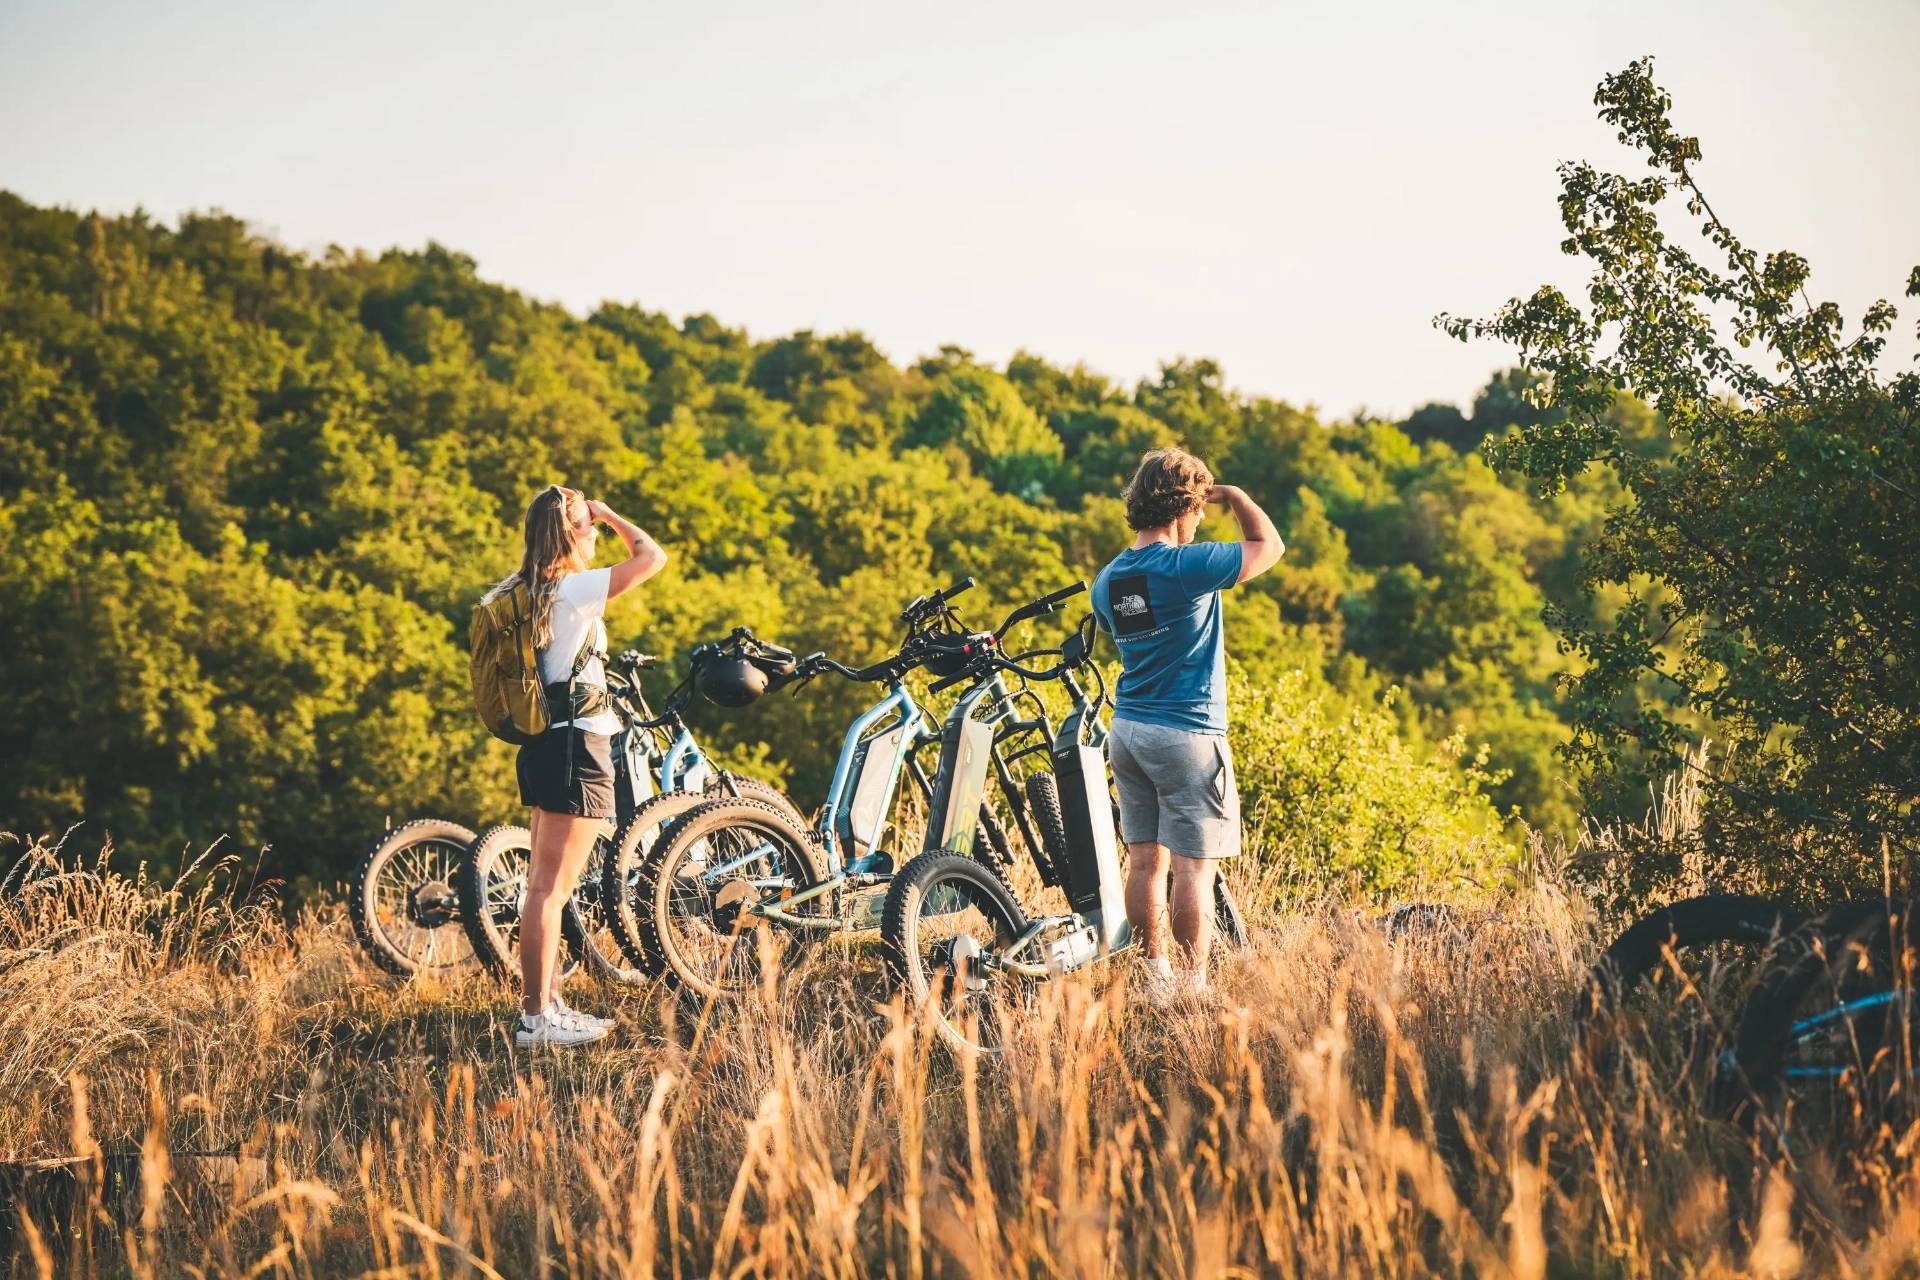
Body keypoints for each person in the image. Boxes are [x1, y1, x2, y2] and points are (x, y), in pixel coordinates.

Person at [1090, 448, 1282, 1005]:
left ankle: (1156, 977)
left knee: (1146, 860)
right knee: (1194, 870)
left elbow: (1115, 625)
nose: (1201, 521)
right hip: (1187, 734)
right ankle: (1194, 989)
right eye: (1199, 509)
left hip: (1127, 731)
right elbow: (1269, 547)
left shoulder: (1109, 579)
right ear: (1187, 507)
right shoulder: (1186, 567)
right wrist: (1238, 497)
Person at [481, 485, 667, 1047]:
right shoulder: (573, 589)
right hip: (575, 750)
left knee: (542, 887)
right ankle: (537, 1019)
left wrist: (590, 515)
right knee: (549, 891)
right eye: (587, 526)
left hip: (543, 746)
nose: (594, 534)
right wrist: (610, 514)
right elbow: (652, 556)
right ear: (569, 534)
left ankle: (549, 1006)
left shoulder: (526, 589)